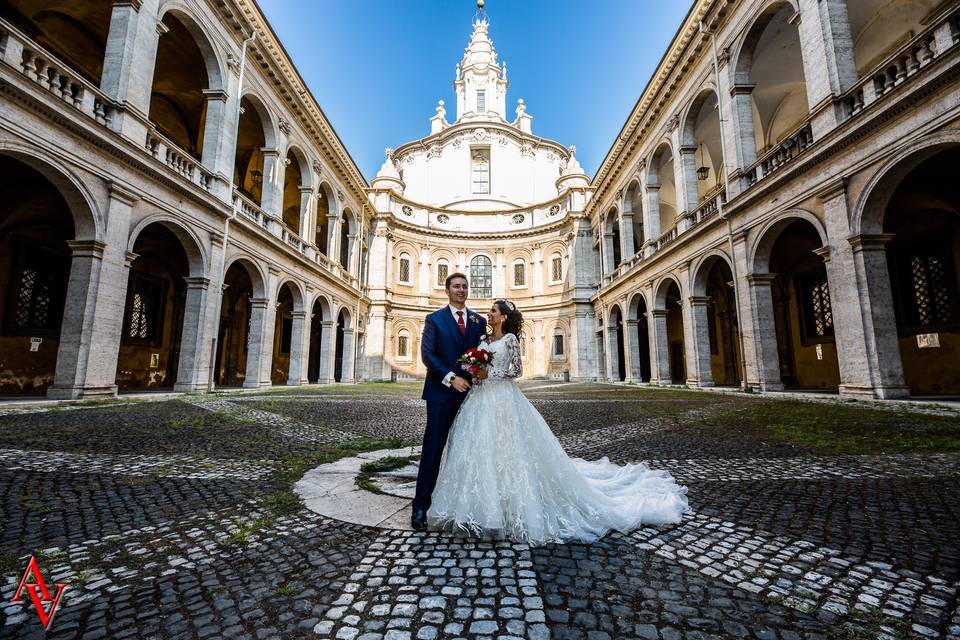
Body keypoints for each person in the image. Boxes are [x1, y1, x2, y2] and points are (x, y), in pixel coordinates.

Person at [428, 299, 689, 545]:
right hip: (481, 398)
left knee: (510, 449)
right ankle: (482, 503)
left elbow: (516, 370)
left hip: (503, 399)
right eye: (490, 311)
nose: (490, 314)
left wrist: (489, 372)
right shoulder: (483, 339)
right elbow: (475, 365)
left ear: (504, 316)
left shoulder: (509, 339)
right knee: (480, 450)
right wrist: (475, 371)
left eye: (494, 311)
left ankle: (512, 503)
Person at [412, 272, 487, 531]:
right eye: (456, 286)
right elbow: (428, 356)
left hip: (472, 396)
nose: (461, 290)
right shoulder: (434, 320)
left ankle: (463, 506)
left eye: (465, 286)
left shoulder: (479, 321)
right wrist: (451, 378)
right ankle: (421, 507)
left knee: (468, 451)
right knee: (433, 451)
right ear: (447, 290)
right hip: (441, 394)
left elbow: (482, 355)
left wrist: (478, 373)